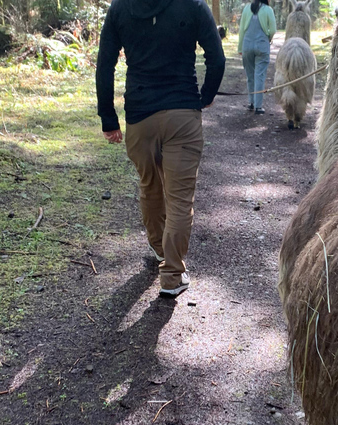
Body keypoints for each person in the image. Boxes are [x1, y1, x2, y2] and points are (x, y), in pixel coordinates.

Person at [96, 0, 225, 297]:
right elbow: (216, 58)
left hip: (140, 116)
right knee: (180, 199)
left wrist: (108, 117)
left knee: (150, 186)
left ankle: (158, 250)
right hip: (183, 113)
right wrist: (204, 96)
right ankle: (172, 275)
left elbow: (105, 64)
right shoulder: (194, 5)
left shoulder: (120, 8)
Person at [238, 0, 276, 114]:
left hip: (247, 44)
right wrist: (268, 38)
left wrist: (240, 48)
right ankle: (258, 107)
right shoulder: (268, 10)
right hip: (262, 45)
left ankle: (251, 103)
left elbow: (241, 30)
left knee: (250, 75)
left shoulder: (246, 8)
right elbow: (273, 30)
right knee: (259, 75)